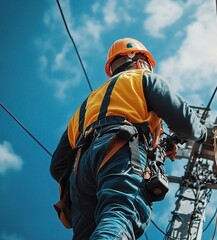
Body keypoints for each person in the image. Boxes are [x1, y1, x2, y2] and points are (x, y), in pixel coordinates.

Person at [50, 37, 207, 239]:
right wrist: (202, 134)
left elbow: (57, 166)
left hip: (80, 171)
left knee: (86, 234)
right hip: (121, 149)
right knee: (121, 214)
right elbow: (185, 124)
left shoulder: (85, 107)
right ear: (140, 61)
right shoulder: (143, 78)